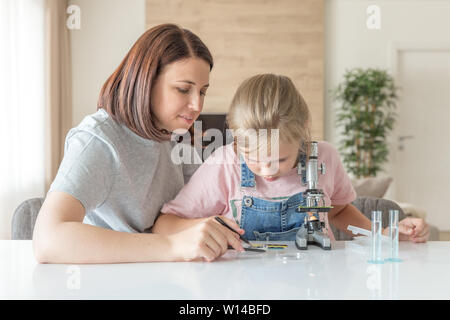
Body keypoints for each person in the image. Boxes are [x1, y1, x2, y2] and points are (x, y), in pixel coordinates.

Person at [152, 74, 430, 261]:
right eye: (253, 158)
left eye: (280, 160)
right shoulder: (225, 163)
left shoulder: (324, 157)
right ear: (236, 141)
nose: (267, 171)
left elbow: (339, 209)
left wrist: (379, 234)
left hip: (316, 279)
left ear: (303, 134)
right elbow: (165, 224)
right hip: (241, 289)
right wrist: (208, 227)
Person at [32, 23, 245, 264]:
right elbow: (47, 240)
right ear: (145, 82)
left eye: (202, 92)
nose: (197, 105)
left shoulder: (171, 135)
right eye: (183, 89)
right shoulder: (99, 140)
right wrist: (173, 245)